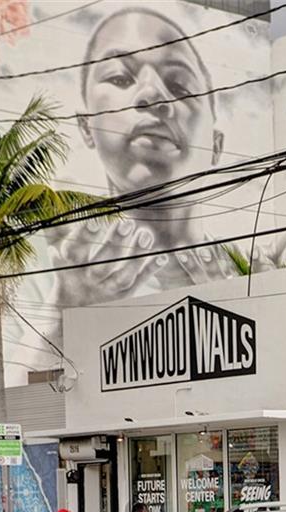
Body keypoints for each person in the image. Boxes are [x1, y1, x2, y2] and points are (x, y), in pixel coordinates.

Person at [51, 8, 239, 309]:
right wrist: (64, 314)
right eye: (120, 78)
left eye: (179, 86)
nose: (152, 95)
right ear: (86, 127)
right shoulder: (42, 269)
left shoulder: (244, 269)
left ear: (216, 145)